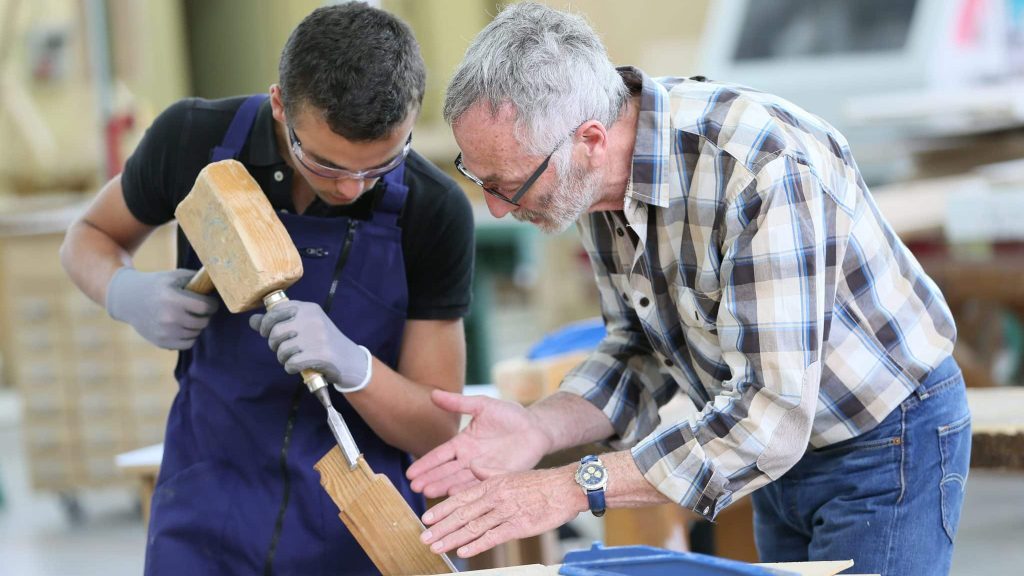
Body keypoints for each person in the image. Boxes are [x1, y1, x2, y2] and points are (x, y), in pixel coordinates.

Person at [406, 3, 970, 575]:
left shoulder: (761, 168)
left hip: (885, 435)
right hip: (779, 449)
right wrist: (539, 426)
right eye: (482, 181)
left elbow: (766, 420)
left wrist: (570, 488)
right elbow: (637, 348)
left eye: (508, 185)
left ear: (591, 139)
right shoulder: (590, 179)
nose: (499, 210)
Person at [60, 3, 474, 575]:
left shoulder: (434, 211)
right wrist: (124, 292)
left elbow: (435, 428)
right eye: (327, 165)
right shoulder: (193, 140)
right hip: (206, 505)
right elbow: (88, 238)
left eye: (380, 166)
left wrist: (355, 367)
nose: (353, 189)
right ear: (280, 105)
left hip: (353, 521)